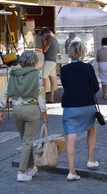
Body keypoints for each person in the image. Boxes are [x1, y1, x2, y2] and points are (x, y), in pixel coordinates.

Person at [0, 50, 48, 182]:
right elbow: (40, 94)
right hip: (32, 109)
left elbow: (7, 90)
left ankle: (31, 167)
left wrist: (1, 108)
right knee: (28, 141)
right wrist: (44, 113)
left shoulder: (14, 73)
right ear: (34, 62)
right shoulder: (35, 74)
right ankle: (21, 172)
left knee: (26, 140)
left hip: (17, 110)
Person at [60, 41, 99, 181]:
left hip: (70, 106)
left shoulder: (64, 69)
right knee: (92, 128)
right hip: (87, 104)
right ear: (82, 52)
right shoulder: (88, 67)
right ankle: (90, 159)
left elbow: (65, 86)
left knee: (71, 137)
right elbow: (96, 86)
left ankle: (71, 171)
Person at [40, 28, 60, 103]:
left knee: (44, 79)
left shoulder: (49, 40)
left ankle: (43, 98)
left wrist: (42, 42)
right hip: (54, 61)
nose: (43, 37)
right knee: (52, 80)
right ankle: (51, 97)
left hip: (48, 61)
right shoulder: (55, 40)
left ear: (46, 34)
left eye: (43, 35)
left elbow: (44, 51)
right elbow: (58, 51)